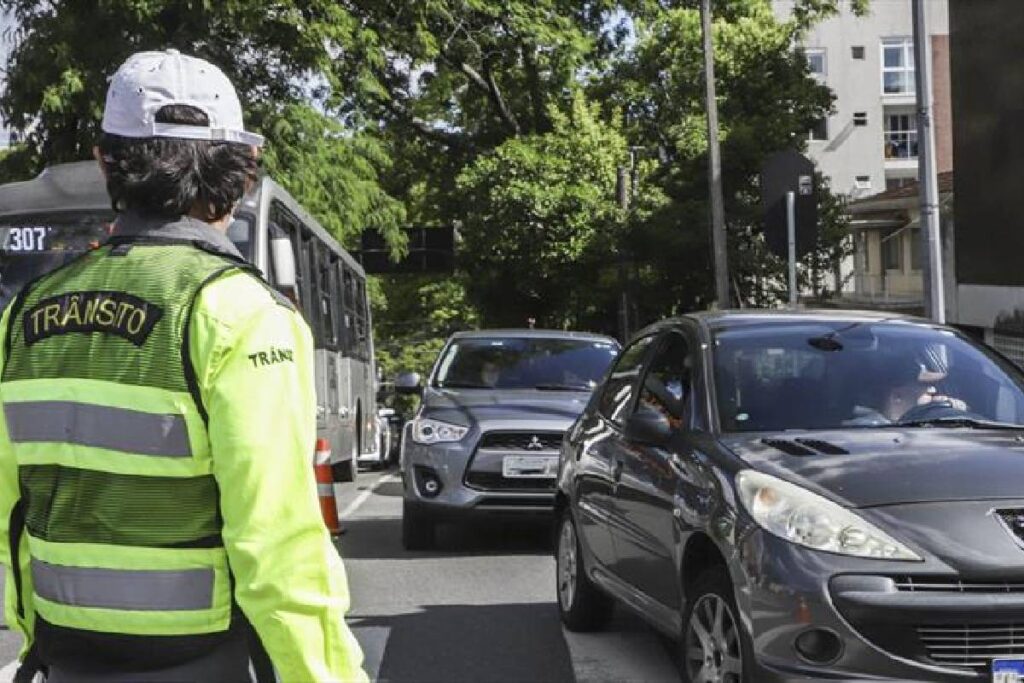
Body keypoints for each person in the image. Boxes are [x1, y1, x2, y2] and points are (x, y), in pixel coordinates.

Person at [0, 50, 366, 682]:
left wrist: (40, 638)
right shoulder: (242, 313)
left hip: (64, 656)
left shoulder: (25, 314)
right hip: (201, 660)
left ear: (105, 161)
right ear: (241, 171)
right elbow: (278, 544)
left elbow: (13, 513)